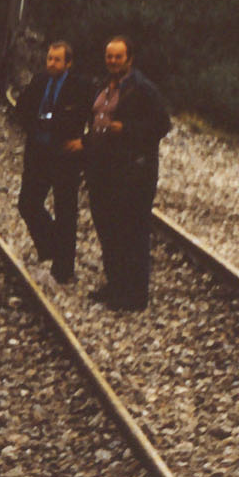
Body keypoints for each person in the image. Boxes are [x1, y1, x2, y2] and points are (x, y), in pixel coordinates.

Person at [84, 36, 171, 310]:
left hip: (133, 171)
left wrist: (128, 130)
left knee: (132, 232)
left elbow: (162, 125)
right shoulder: (102, 85)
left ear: (129, 59)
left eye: (118, 57)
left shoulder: (144, 90)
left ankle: (135, 296)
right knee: (108, 229)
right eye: (109, 56)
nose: (112, 61)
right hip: (103, 169)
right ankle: (115, 286)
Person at [11, 41, 94, 283]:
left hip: (64, 156)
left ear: (68, 63)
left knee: (65, 211)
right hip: (38, 153)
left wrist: (84, 142)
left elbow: (96, 118)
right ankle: (51, 247)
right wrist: (33, 128)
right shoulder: (39, 81)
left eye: (57, 60)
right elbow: (21, 107)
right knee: (28, 203)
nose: (51, 64)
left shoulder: (80, 87)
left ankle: (63, 269)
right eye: (49, 59)